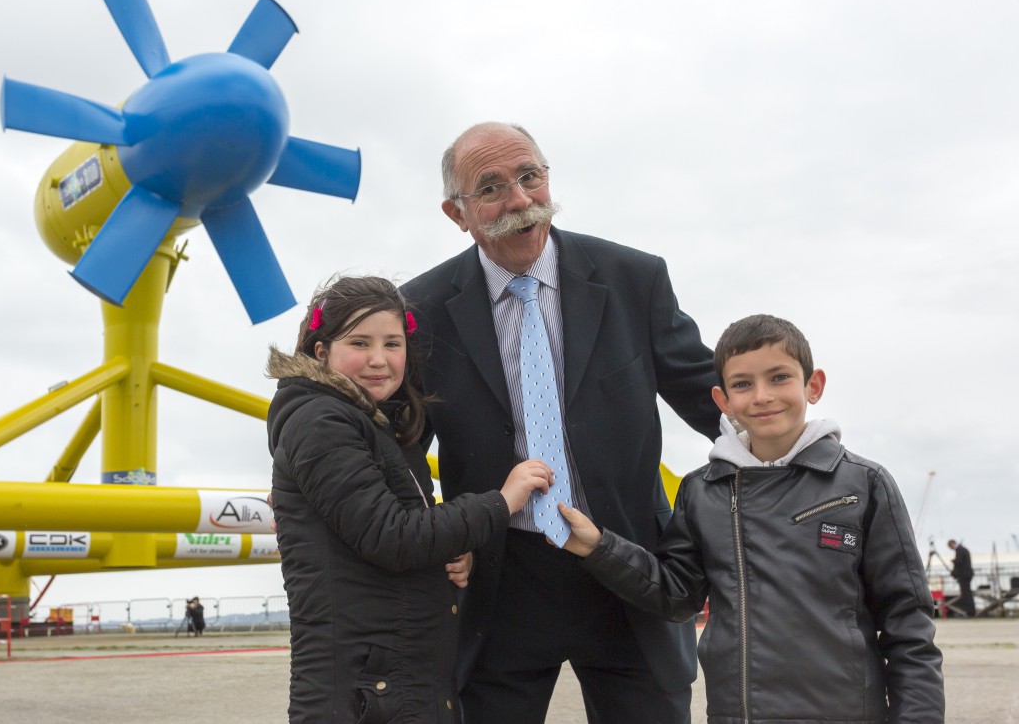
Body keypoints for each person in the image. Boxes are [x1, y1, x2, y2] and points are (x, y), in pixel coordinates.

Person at [402, 122, 719, 723]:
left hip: (628, 566)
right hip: (499, 583)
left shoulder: (634, 278)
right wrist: (433, 534)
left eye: (530, 176)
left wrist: (792, 472)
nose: (520, 200)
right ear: (457, 212)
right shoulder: (420, 308)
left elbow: (711, 402)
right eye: (491, 187)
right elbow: (405, 445)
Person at [558, 314, 945, 722]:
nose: (762, 396)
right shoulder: (702, 491)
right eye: (742, 384)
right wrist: (598, 546)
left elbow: (908, 625)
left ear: (813, 386)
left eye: (779, 377)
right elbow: (677, 595)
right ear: (723, 401)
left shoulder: (864, 484)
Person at [266, 275, 555, 724]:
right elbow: (393, 537)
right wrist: (501, 502)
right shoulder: (320, 420)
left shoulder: (380, 425)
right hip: (365, 690)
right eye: (359, 343)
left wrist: (452, 551)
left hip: (395, 680)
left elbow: (391, 531)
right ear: (321, 352)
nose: (378, 360)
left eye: (392, 344)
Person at [948, 539, 976, 617]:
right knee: (967, 593)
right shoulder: (962, 549)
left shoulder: (960, 550)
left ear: (952, 544)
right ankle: (971, 611)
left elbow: (960, 562)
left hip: (964, 575)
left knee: (966, 594)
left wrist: (954, 561)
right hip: (966, 574)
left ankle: (970, 612)